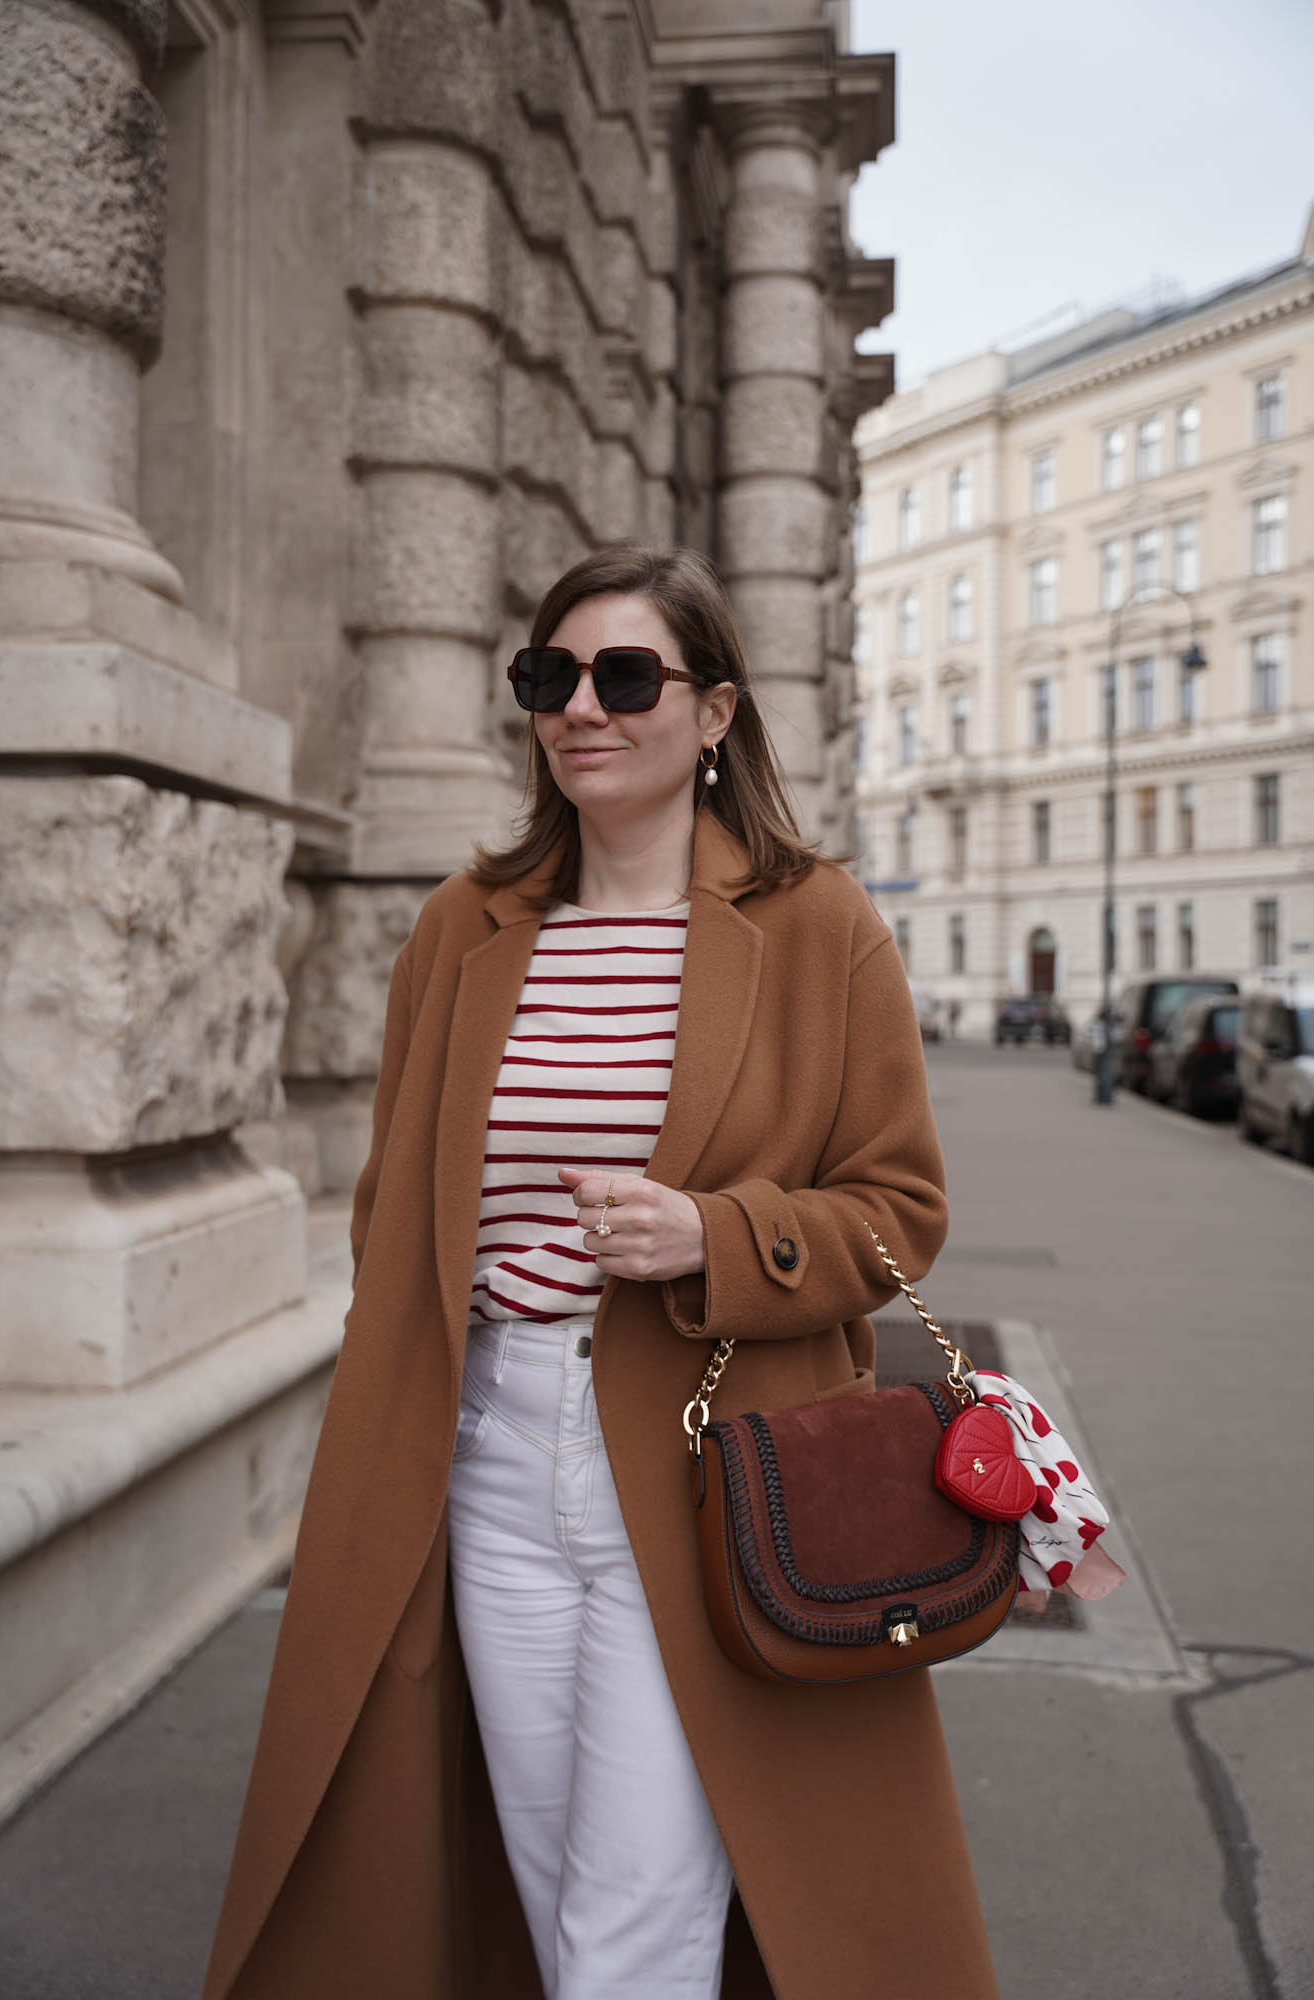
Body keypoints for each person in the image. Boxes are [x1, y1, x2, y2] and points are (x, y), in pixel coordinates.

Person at [202, 546, 1001, 2000]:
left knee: (638, 1905)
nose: (580, 707)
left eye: (624, 675)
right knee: (548, 1861)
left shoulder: (812, 923)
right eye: (547, 677)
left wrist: (715, 1236)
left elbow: (897, 1215)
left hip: (701, 1459)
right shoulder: (466, 928)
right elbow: (396, 1198)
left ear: (711, 714)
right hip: (489, 1453)